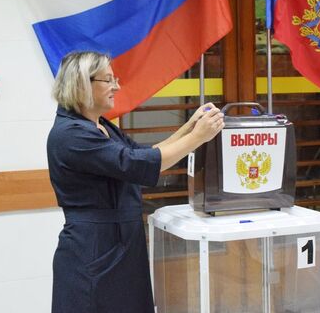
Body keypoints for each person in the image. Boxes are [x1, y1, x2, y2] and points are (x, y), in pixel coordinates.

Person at [47, 51, 224, 313]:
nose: (116, 87)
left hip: (121, 243)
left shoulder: (100, 125)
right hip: (93, 249)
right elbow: (137, 165)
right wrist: (197, 138)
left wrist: (190, 127)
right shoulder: (71, 135)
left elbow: (143, 154)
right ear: (82, 83)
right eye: (108, 80)